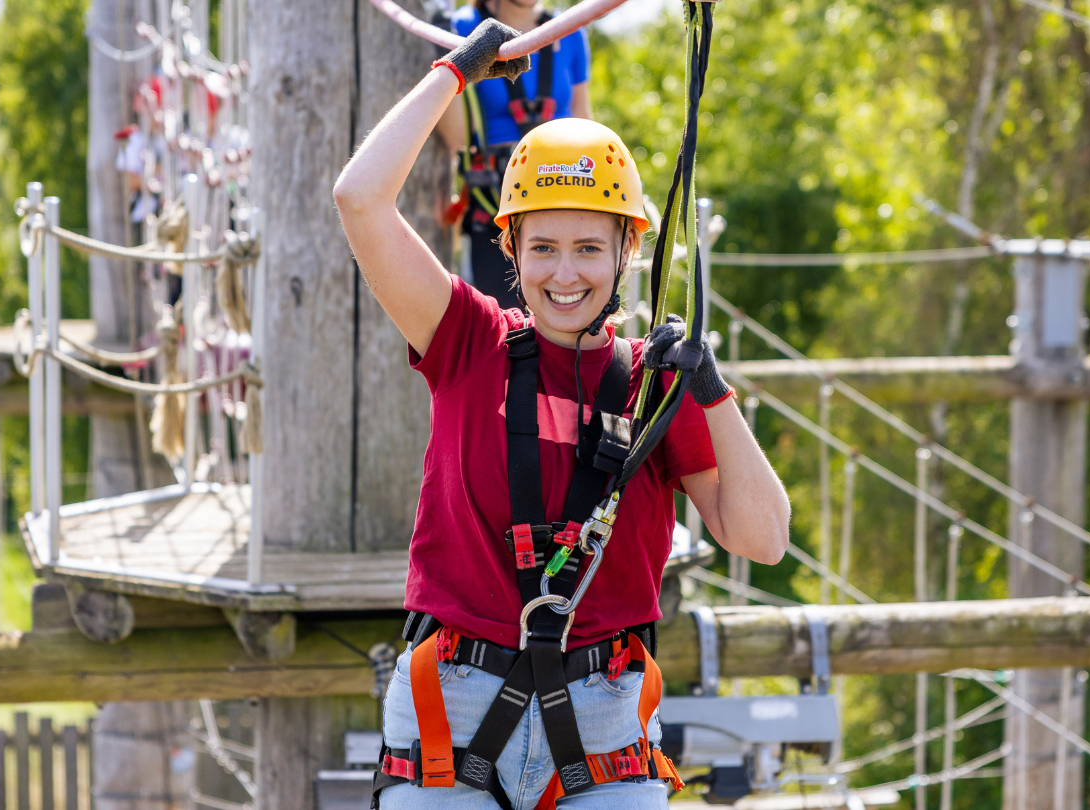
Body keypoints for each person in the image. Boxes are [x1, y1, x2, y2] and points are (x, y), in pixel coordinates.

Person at [334, 20, 790, 810]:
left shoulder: (654, 382)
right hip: (455, 701)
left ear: (625, 254)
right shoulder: (465, 339)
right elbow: (359, 200)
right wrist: (459, 70)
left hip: (603, 720)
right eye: (542, 248)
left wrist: (709, 390)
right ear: (508, 250)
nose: (565, 272)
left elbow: (763, 536)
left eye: (589, 248)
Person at [435, 0, 594, 310]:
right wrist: (443, 56)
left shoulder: (571, 30)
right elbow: (457, 138)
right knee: (508, 325)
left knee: (571, 316)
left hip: (563, 197)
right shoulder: (462, 27)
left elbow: (583, 119)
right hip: (496, 205)